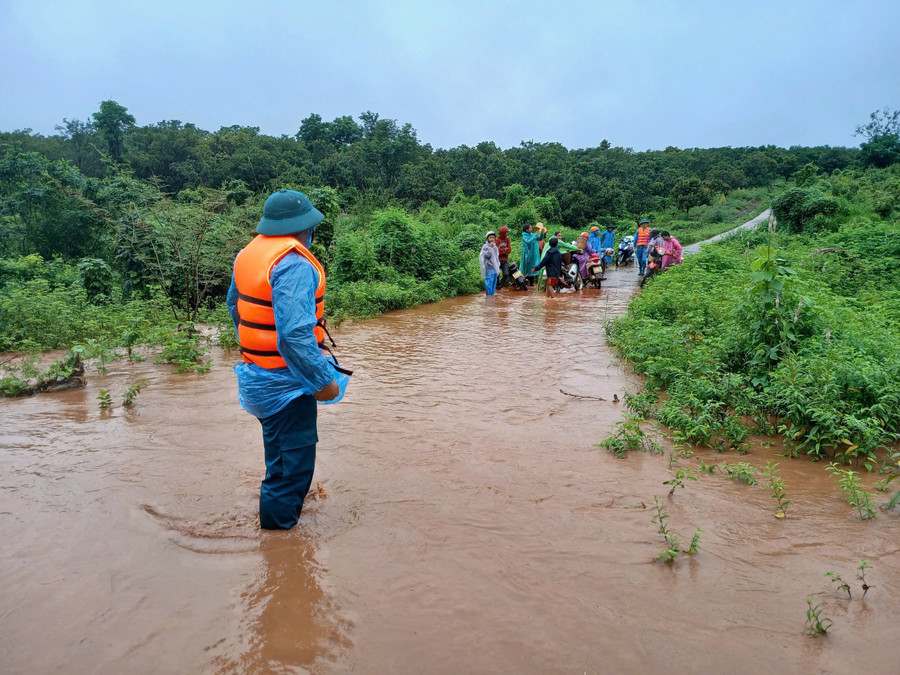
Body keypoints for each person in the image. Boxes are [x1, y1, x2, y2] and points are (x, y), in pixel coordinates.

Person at [227, 189, 347, 531]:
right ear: (304, 228)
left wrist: (255, 350)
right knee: (291, 471)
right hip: (288, 384)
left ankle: (277, 520)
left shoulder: (248, 254)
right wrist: (323, 380)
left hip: (260, 378)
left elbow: (235, 307)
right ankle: (279, 549)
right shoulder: (293, 264)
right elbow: (294, 336)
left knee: (279, 459)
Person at [480, 231, 501, 295]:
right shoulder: (485, 247)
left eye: (493, 238)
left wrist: (498, 267)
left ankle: (492, 299)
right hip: (489, 268)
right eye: (490, 237)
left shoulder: (495, 247)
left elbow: (496, 258)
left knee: (494, 285)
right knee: (489, 284)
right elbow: (486, 256)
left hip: (495, 268)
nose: (492, 239)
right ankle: (489, 299)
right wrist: (490, 248)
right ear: (487, 238)